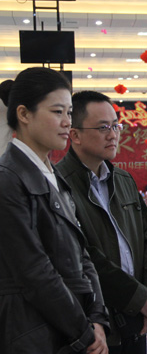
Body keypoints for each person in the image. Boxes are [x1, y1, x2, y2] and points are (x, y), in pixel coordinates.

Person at [0, 67, 109, 353]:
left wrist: (98, 317)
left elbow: (82, 255)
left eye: (69, 112)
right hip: (33, 333)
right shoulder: (7, 179)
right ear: (24, 114)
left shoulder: (54, 176)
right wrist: (84, 331)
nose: (67, 122)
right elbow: (34, 271)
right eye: (57, 112)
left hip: (72, 328)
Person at [56, 91, 147, 353]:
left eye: (116, 126)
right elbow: (82, 254)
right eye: (103, 127)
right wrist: (139, 297)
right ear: (75, 135)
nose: (113, 135)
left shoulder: (124, 180)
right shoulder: (59, 185)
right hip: (95, 321)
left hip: (138, 317)